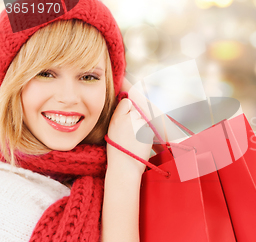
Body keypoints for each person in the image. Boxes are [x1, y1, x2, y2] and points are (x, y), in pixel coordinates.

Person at [0, 0, 159, 241]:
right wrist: (124, 172)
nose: (69, 97)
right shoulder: (9, 199)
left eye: (88, 76)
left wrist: (135, 103)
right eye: (45, 73)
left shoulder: (116, 161)